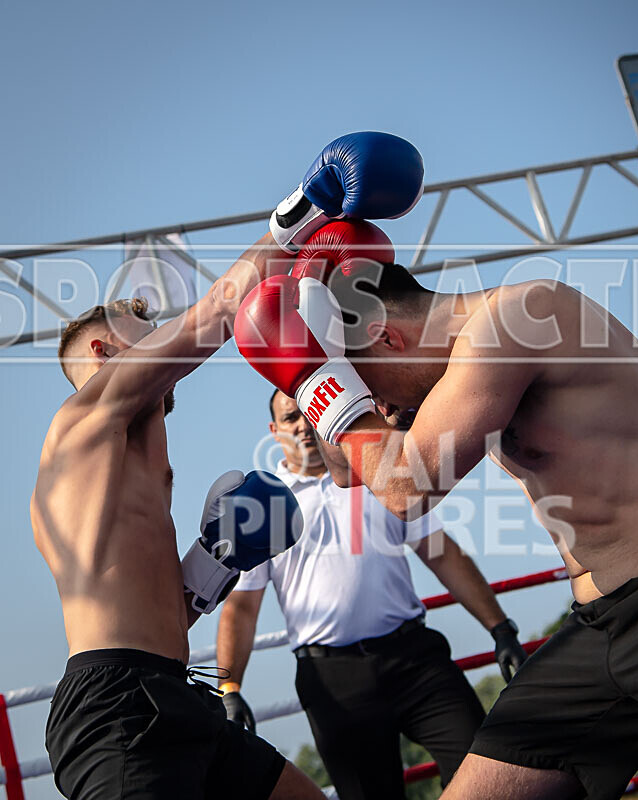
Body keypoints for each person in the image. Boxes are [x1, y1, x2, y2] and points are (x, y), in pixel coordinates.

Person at [234, 220, 638, 800]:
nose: (379, 406)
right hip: (602, 623)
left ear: (387, 337)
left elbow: (406, 487)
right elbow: (351, 472)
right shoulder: (451, 375)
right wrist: (311, 372)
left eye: (371, 387)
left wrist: (320, 380)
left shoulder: (519, 317)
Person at [30, 131, 426, 800]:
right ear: (102, 354)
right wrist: (307, 208)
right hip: (120, 712)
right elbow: (217, 312)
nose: (160, 333)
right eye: (143, 326)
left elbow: (158, 619)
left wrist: (215, 559)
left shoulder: (131, 465)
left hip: (170, 694)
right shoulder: (82, 425)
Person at [215, 390, 527, 800]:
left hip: (416, 660)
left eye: (309, 414)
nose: (304, 426)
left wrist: (500, 628)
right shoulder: (265, 505)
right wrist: (230, 689)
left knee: (488, 772)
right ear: (275, 432)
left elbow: (443, 554)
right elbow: (241, 607)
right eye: (291, 418)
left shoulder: (375, 475)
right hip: (335, 682)